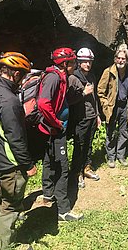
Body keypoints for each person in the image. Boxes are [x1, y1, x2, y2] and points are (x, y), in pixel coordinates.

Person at [0, 52, 37, 250]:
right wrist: (28, 165)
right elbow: (15, 138)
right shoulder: (9, 101)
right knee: (11, 206)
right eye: (22, 75)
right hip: (10, 164)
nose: (23, 81)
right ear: (14, 74)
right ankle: (7, 245)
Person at [37, 47, 83, 221]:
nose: (75, 65)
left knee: (49, 160)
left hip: (53, 130)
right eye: (72, 62)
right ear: (64, 64)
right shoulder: (54, 77)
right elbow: (43, 103)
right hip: (55, 130)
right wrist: (56, 122)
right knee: (63, 167)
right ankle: (63, 209)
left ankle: (48, 194)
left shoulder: (59, 76)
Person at [98, 44, 128, 168]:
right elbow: (100, 90)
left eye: (123, 58)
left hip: (125, 107)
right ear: (115, 59)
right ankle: (111, 157)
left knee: (124, 132)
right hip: (112, 107)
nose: (120, 61)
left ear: (127, 60)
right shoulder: (108, 72)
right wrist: (105, 105)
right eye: (118, 58)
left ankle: (120, 155)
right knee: (110, 132)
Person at [70, 47, 101, 188]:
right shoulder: (73, 77)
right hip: (80, 117)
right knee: (79, 145)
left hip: (91, 116)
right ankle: (77, 173)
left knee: (88, 144)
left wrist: (97, 115)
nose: (87, 64)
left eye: (89, 61)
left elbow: (94, 98)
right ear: (79, 62)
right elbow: (69, 100)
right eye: (84, 61)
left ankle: (86, 167)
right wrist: (83, 93)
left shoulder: (91, 76)